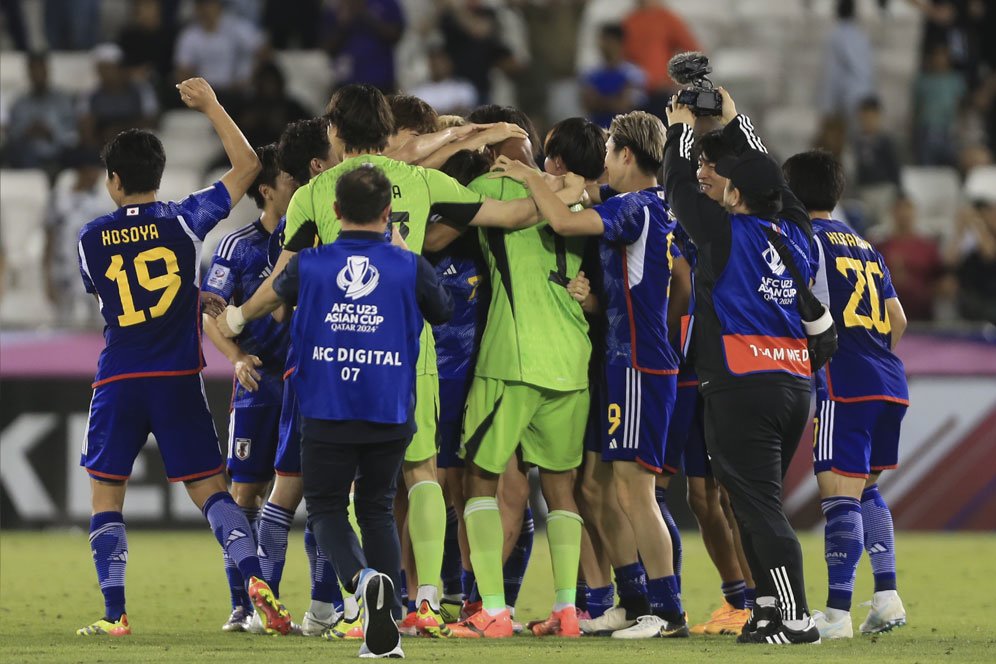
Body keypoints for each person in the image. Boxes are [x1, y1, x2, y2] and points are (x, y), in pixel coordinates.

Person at [216, 84, 578, 636]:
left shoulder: (316, 193)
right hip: (408, 355)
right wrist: (560, 188)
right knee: (419, 473)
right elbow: (511, 216)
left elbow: (281, 280)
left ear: (335, 132)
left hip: (334, 359)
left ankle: (360, 606)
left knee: (347, 494)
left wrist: (238, 319)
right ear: (384, 133)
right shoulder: (421, 182)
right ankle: (425, 602)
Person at [74, 78, 291, 637]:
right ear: (159, 175)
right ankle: (254, 578)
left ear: (114, 181)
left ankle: (115, 613)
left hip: (120, 378)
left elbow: (113, 297)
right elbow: (245, 168)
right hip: (178, 379)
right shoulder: (183, 219)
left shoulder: (91, 237)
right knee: (213, 494)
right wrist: (213, 105)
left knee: (106, 494)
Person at [232, 164, 453, 658]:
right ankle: (387, 627)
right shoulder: (408, 264)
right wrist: (402, 253)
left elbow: (272, 299)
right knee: (377, 509)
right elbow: (443, 311)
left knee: (329, 508)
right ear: (387, 213)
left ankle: (363, 580)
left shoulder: (309, 265)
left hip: (328, 407)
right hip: (390, 407)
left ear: (334, 212)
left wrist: (235, 316)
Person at [496, 110, 688, 639]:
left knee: (635, 491)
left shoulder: (634, 208)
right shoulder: (655, 207)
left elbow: (561, 220)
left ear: (627, 155)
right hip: (622, 359)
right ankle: (630, 599)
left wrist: (528, 175)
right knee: (598, 487)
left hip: (638, 365)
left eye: (608, 153)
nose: (602, 163)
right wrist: (596, 302)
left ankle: (667, 609)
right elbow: (645, 288)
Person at [663, 88, 828, 645]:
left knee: (757, 508)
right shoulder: (800, 234)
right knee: (751, 502)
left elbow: (678, 184)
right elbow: (776, 183)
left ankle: (797, 618)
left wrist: (683, 128)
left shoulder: (724, 231)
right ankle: (765, 611)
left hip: (740, 383)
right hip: (791, 385)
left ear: (735, 193)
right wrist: (734, 120)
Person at [437, 104, 589, 640]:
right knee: (561, 488)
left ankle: (493, 611)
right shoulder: (577, 189)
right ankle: (568, 610)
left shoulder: (490, 187)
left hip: (513, 356)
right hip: (573, 359)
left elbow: (433, 237)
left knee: (480, 478)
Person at [783, 149, 910, 640]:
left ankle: (835, 615)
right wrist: (872, 355)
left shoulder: (805, 242)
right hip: (890, 382)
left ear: (791, 194)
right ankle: (886, 596)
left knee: (838, 496)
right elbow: (897, 320)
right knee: (865, 490)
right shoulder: (866, 246)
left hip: (845, 382)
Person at [200, 143, 310, 633]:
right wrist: (236, 357)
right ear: (266, 189)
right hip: (259, 383)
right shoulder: (236, 247)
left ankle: (311, 603)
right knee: (244, 495)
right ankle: (244, 603)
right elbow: (211, 312)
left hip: (305, 381)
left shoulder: (313, 238)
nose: (299, 186)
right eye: (289, 179)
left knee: (311, 496)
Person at [44, 147, 108, 328]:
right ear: (81, 170)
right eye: (93, 170)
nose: (97, 176)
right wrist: (47, 277)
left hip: (96, 273)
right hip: (63, 270)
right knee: (63, 327)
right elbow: (49, 239)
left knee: (98, 329)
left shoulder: (102, 203)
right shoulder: (57, 198)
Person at [173, 0, 265, 105]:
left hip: (236, 92)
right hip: (204, 95)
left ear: (218, 5)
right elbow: (182, 72)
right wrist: (197, 89)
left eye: (209, 4)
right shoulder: (189, 36)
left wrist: (250, 78)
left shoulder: (236, 27)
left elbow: (263, 52)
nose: (205, 10)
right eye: (201, 6)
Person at [4, 52, 78, 170]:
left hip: (59, 153)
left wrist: (51, 132)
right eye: (34, 71)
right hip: (28, 155)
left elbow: (72, 133)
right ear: (29, 73)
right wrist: (27, 131)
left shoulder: (62, 100)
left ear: (47, 71)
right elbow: (12, 135)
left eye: (40, 70)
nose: (38, 75)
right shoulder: (19, 103)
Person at [79, 43, 160, 149]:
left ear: (121, 69)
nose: (103, 74)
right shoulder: (90, 95)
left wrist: (121, 131)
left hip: (137, 145)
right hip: (102, 147)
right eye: (100, 69)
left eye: (108, 69)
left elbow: (151, 121)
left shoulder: (142, 90)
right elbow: (86, 128)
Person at [876, 196, 944, 321]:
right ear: (892, 212)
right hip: (886, 317)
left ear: (915, 212)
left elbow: (941, 280)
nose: (904, 214)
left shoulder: (928, 246)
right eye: (899, 209)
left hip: (923, 316)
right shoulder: (879, 246)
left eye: (907, 208)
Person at [322, 0, 405, 93]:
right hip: (345, 84)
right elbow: (328, 47)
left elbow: (396, 35)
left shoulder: (387, 3)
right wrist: (345, 22)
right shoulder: (335, 6)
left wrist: (366, 14)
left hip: (381, 82)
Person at [581, 24, 646, 129]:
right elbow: (588, 105)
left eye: (605, 40)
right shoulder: (590, 73)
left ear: (617, 42)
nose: (600, 44)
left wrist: (599, 100)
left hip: (626, 133)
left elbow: (624, 106)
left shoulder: (634, 74)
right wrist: (615, 99)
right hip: (597, 133)